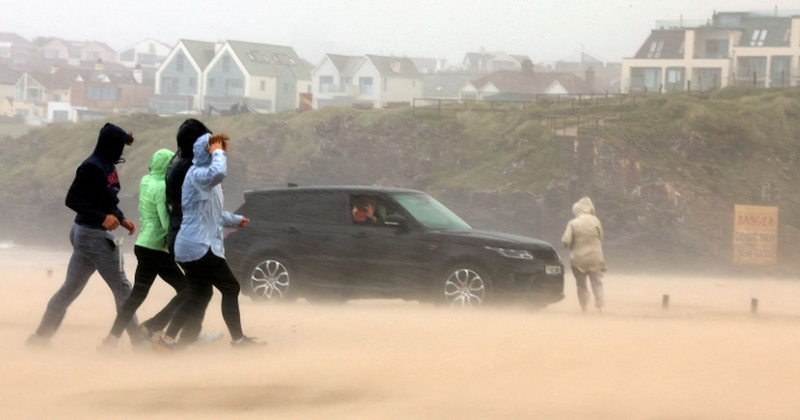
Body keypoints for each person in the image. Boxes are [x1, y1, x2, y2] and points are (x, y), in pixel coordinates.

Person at [27, 123, 144, 348]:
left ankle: (40, 338)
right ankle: (140, 343)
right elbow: (72, 200)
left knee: (70, 288)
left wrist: (120, 218)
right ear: (110, 145)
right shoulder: (91, 167)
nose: (122, 152)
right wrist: (101, 218)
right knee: (122, 288)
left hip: (85, 235)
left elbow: (107, 200)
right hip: (92, 236)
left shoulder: (108, 165)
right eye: (120, 147)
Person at [100, 149, 214, 351]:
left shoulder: (146, 181)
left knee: (138, 295)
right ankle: (155, 326)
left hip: (144, 245)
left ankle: (112, 339)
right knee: (188, 290)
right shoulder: (163, 187)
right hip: (157, 248)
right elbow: (166, 222)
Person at [156, 133, 260, 351]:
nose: (220, 152)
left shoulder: (208, 181)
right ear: (206, 150)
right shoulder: (198, 174)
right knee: (231, 287)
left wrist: (236, 220)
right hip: (197, 245)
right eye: (213, 149)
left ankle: (166, 340)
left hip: (195, 245)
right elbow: (219, 171)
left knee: (199, 293)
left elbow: (212, 214)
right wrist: (218, 150)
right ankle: (238, 341)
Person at [562, 197, 607, 314]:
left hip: (578, 259)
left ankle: (584, 308)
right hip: (595, 258)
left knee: (581, 285)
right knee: (597, 283)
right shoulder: (596, 221)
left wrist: (566, 245)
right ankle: (601, 307)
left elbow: (566, 241)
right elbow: (600, 237)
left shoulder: (573, 223)